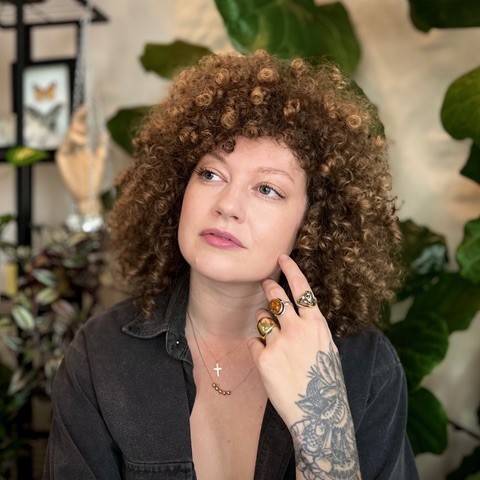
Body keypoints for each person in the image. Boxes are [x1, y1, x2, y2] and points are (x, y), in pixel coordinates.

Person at [44, 50, 419, 479]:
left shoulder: (365, 366)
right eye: (211, 174)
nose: (228, 206)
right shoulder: (101, 355)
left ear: (314, 222)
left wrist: (320, 425)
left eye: (267, 189)